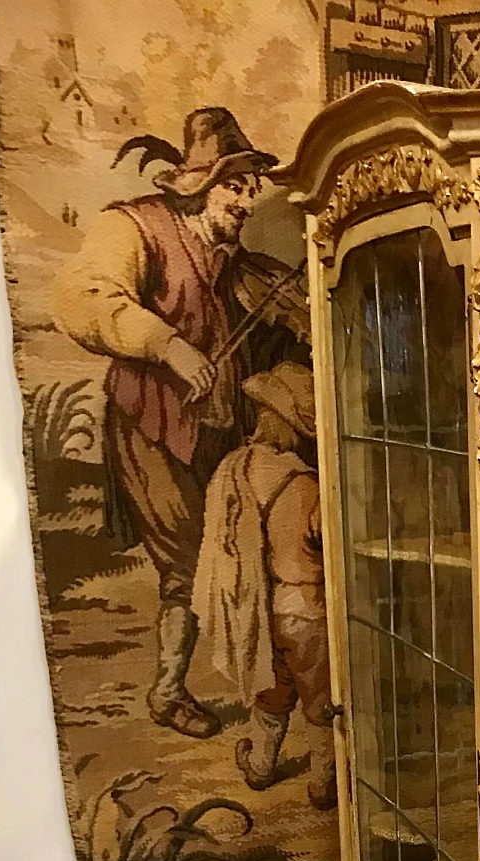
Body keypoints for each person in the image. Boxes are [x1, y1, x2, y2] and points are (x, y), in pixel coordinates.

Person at [54, 107, 308, 739]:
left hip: (216, 432)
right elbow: (82, 299)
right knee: (189, 562)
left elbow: (266, 336)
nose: (248, 202)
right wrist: (169, 346)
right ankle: (169, 691)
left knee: (233, 547)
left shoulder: (236, 262)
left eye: (253, 188)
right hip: (151, 426)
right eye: (235, 187)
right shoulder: (134, 227)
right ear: (199, 185)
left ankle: (246, 687)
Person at [193, 362, 336, 808]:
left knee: (271, 693)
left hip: (255, 606)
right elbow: (323, 541)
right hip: (304, 607)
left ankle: (260, 765)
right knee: (320, 699)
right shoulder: (307, 485)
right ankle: (324, 782)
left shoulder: (235, 469)